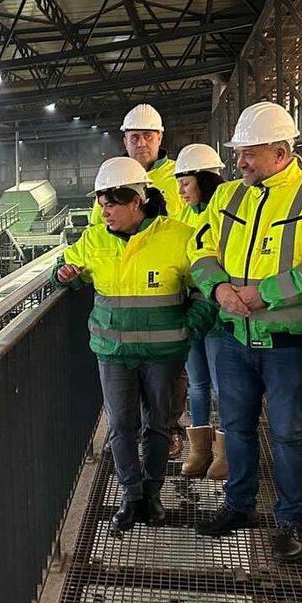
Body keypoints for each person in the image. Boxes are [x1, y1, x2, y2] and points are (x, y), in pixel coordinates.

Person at [189, 102, 302, 562]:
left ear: (282, 153)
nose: (239, 162)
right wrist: (218, 287)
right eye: (239, 153)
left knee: (288, 434)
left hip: (291, 342)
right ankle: (239, 506)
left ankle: (290, 520)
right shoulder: (226, 197)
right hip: (234, 338)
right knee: (237, 427)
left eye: (249, 153)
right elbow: (200, 247)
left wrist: (265, 294)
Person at [55, 157, 216, 533]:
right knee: (120, 427)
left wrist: (189, 329)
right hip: (113, 355)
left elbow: (206, 287)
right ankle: (131, 496)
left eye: (112, 203)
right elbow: (65, 271)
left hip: (163, 355)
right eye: (101, 203)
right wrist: (63, 276)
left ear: (136, 201)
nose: (104, 211)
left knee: (158, 426)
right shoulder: (94, 241)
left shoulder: (177, 237)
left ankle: (153, 494)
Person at [89, 103, 189, 457]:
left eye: (148, 136)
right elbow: (96, 234)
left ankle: (170, 430)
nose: (141, 142)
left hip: (167, 292)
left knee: (167, 381)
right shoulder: (111, 177)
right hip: (123, 300)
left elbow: (189, 228)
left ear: (160, 138)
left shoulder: (177, 176)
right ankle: (136, 464)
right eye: (134, 137)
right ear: (125, 140)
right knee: (130, 396)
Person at [172, 144, 228, 479]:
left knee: (223, 385)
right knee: (197, 382)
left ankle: (225, 452)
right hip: (192, 308)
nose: (180, 190)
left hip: (220, 310)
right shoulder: (183, 217)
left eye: (186, 182)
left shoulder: (224, 214)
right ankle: (199, 451)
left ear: (205, 180)